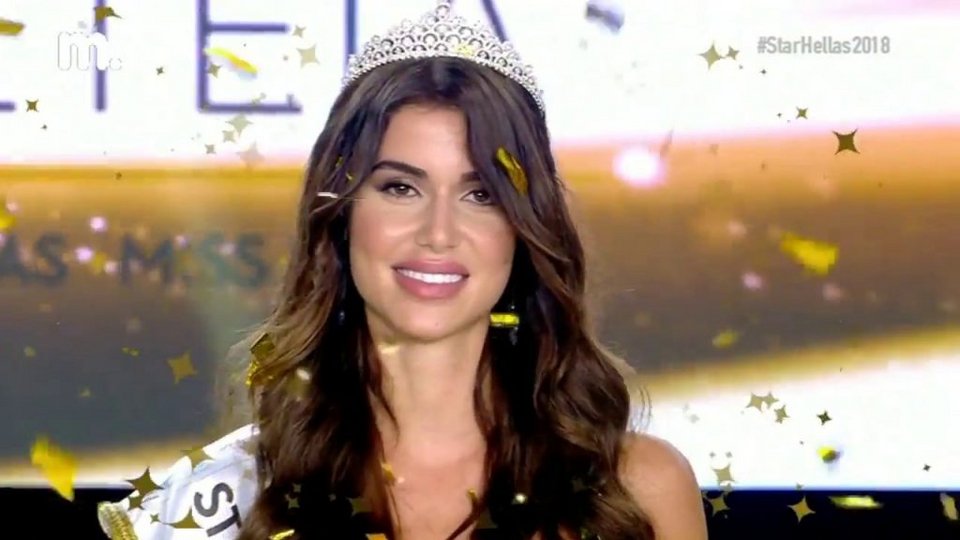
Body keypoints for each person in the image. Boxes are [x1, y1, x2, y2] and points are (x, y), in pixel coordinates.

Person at [97, 2, 707, 539]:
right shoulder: (215, 500)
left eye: (481, 195)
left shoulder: (637, 490)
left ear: (524, 228)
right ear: (341, 214)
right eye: (399, 188)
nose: (438, 232)